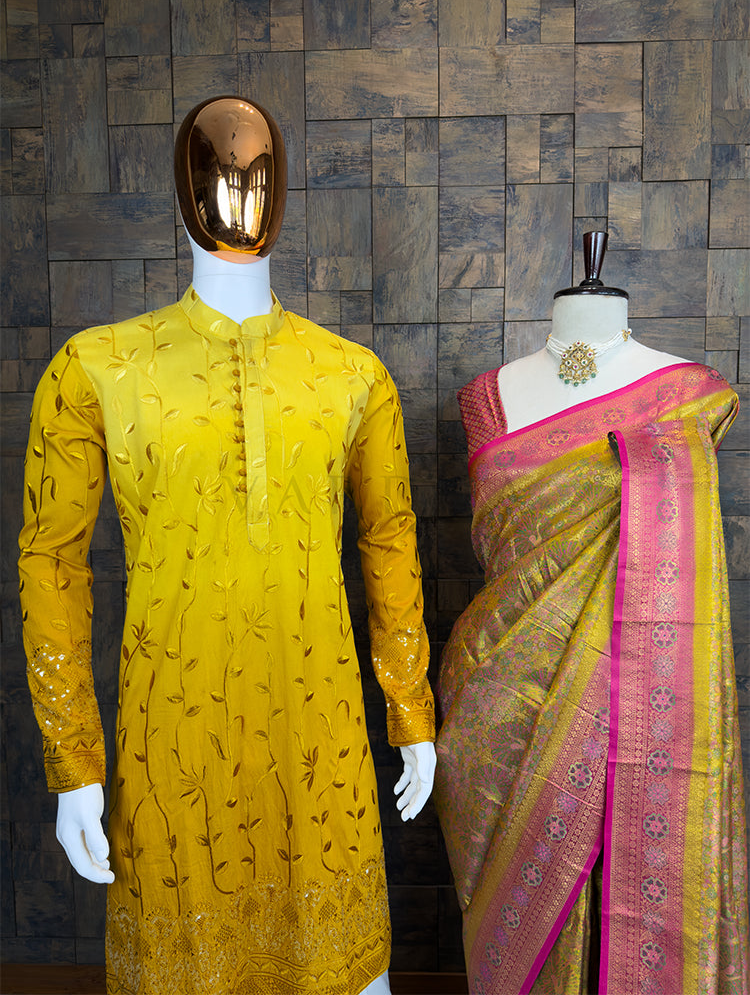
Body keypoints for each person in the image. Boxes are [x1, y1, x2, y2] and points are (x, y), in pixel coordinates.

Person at [19, 96, 436, 995]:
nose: (238, 192)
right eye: (215, 172)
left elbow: (389, 541)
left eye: (258, 174)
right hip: (173, 739)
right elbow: (51, 564)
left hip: (319, 736)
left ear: (284, 193)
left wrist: (411, 712)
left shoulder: (353, 377)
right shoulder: (97, 368)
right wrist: (74, 762)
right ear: (182, 197)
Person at [434, 234, 749, 994]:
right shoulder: (486, 397)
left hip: (640, 698)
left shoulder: (691, 396)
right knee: (507, 919)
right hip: (498, 696)